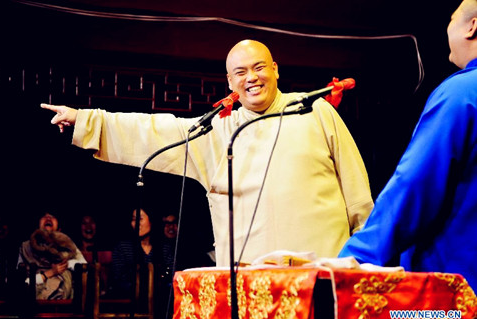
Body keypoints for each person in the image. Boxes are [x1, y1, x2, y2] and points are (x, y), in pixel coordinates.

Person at [41, 39, 374, 267]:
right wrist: (85, 120)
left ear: (275, 69)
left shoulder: (314, 110)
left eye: (259, 67)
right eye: (241, 72)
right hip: (249, 279)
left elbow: (357, 192)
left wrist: (367, 254)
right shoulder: (218, 130)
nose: (252, 78)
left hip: (324, 267)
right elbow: (156, 131)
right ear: (230, 81)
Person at [339, 0, 477, 289]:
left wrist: (356, 258)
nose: (447, 27)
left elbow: (416, 184)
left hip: (456, 293)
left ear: (471, 26)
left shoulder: (461, 93)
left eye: (451, 19)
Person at [17, 211, 87, 299]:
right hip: (34, 299)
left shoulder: (68, 245)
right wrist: (50, 273)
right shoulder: (26, 248)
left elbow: (85, 268)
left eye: (52, 216)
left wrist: (65, 264)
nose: (48, 218)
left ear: (59, 228)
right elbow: (22, 282)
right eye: (44, 216)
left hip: (65, 300)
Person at [109, 207, 154, 298]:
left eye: (140, 219)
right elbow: (118, 280)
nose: (136, 223)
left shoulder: (164, 248)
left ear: (151, 221)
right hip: (129, 300)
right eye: (133, 219)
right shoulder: (123, 247)